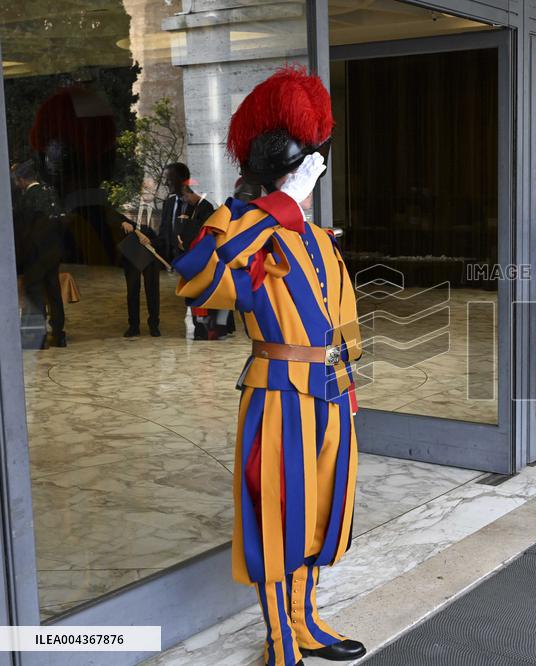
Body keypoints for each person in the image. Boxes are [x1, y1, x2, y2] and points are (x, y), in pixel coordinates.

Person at [174, 66, 365, 666]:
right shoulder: (250, 227)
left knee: (324, 511)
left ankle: (305, 620)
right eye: (304, 159)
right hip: (279, 391)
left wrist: (348, 382)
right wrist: (274, 200)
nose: (314, 170)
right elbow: (199, 273)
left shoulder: (317, 236)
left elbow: (343, 319)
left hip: (331, 389)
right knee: (279, 515)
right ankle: (280, 642)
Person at [12, 160, 66, 348]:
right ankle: (59, 335)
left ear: (21, 180)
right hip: (52, 252)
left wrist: (20, 260)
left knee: (35, 295)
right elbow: (61, 222)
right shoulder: (50, 193)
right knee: (54, 292)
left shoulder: (25, 200)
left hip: (34, 254)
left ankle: (40, 338)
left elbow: (21, 231)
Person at [160, 162, 217, 339]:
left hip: (195, 259)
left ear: (180, 180)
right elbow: (165, 230)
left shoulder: (200, 203)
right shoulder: (168, 203)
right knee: (188, 294)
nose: (166, 183)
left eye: (169, 179)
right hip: (177, 259)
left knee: (198, 293)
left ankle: (203, 330)